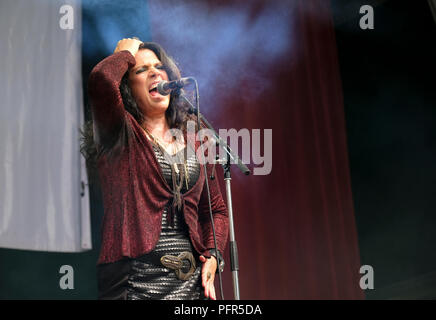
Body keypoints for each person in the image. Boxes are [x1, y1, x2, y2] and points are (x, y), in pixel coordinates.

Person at [85, 38, 229, 300]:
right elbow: (102, 80)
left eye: (159, 67)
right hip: (135, 282)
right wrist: (125, 53)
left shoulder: (194, 132)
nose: (155, 72)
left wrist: (213, 256)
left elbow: (215, 209)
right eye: (141, 70)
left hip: (190, 285)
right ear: (127, 88)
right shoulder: (118, 131)